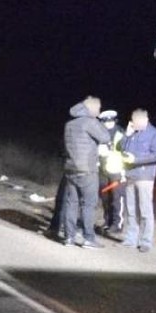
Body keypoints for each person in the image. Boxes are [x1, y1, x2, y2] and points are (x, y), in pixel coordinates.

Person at [62, 96, 111, 248]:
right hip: (87, 170)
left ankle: (69, 237)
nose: (100, 111)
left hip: (70, 168)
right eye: (99, 108)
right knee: (89, 204)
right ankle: (89, 238)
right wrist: (99, 122)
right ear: (92, 109)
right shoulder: (90, 122)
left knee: (71, 204)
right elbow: (105, 137)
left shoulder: (70, 124)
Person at [119, 109, 156, 252]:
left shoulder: (155, 135)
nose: (133, 124)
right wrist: (126, 135)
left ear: (145, 119)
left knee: (145, 210)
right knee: (130, 209)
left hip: (145, 177)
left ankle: (145, 241)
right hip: (130, 175)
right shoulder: (133, 133)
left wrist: (137, 160)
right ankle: (131, 239)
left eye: (135, 122)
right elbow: (121, 148)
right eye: (132, 121)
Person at [97, 110, 126, 236]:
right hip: (102, 169)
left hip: (116, 169)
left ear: (114, 121)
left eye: (110, 121)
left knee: (116, 197)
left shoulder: (121, 133)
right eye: (105, 121)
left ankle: (117, 224)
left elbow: (125, 151)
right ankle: (107, 221)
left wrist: (110, 151)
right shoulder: (99, 131)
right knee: (104, 196)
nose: (108, 124)